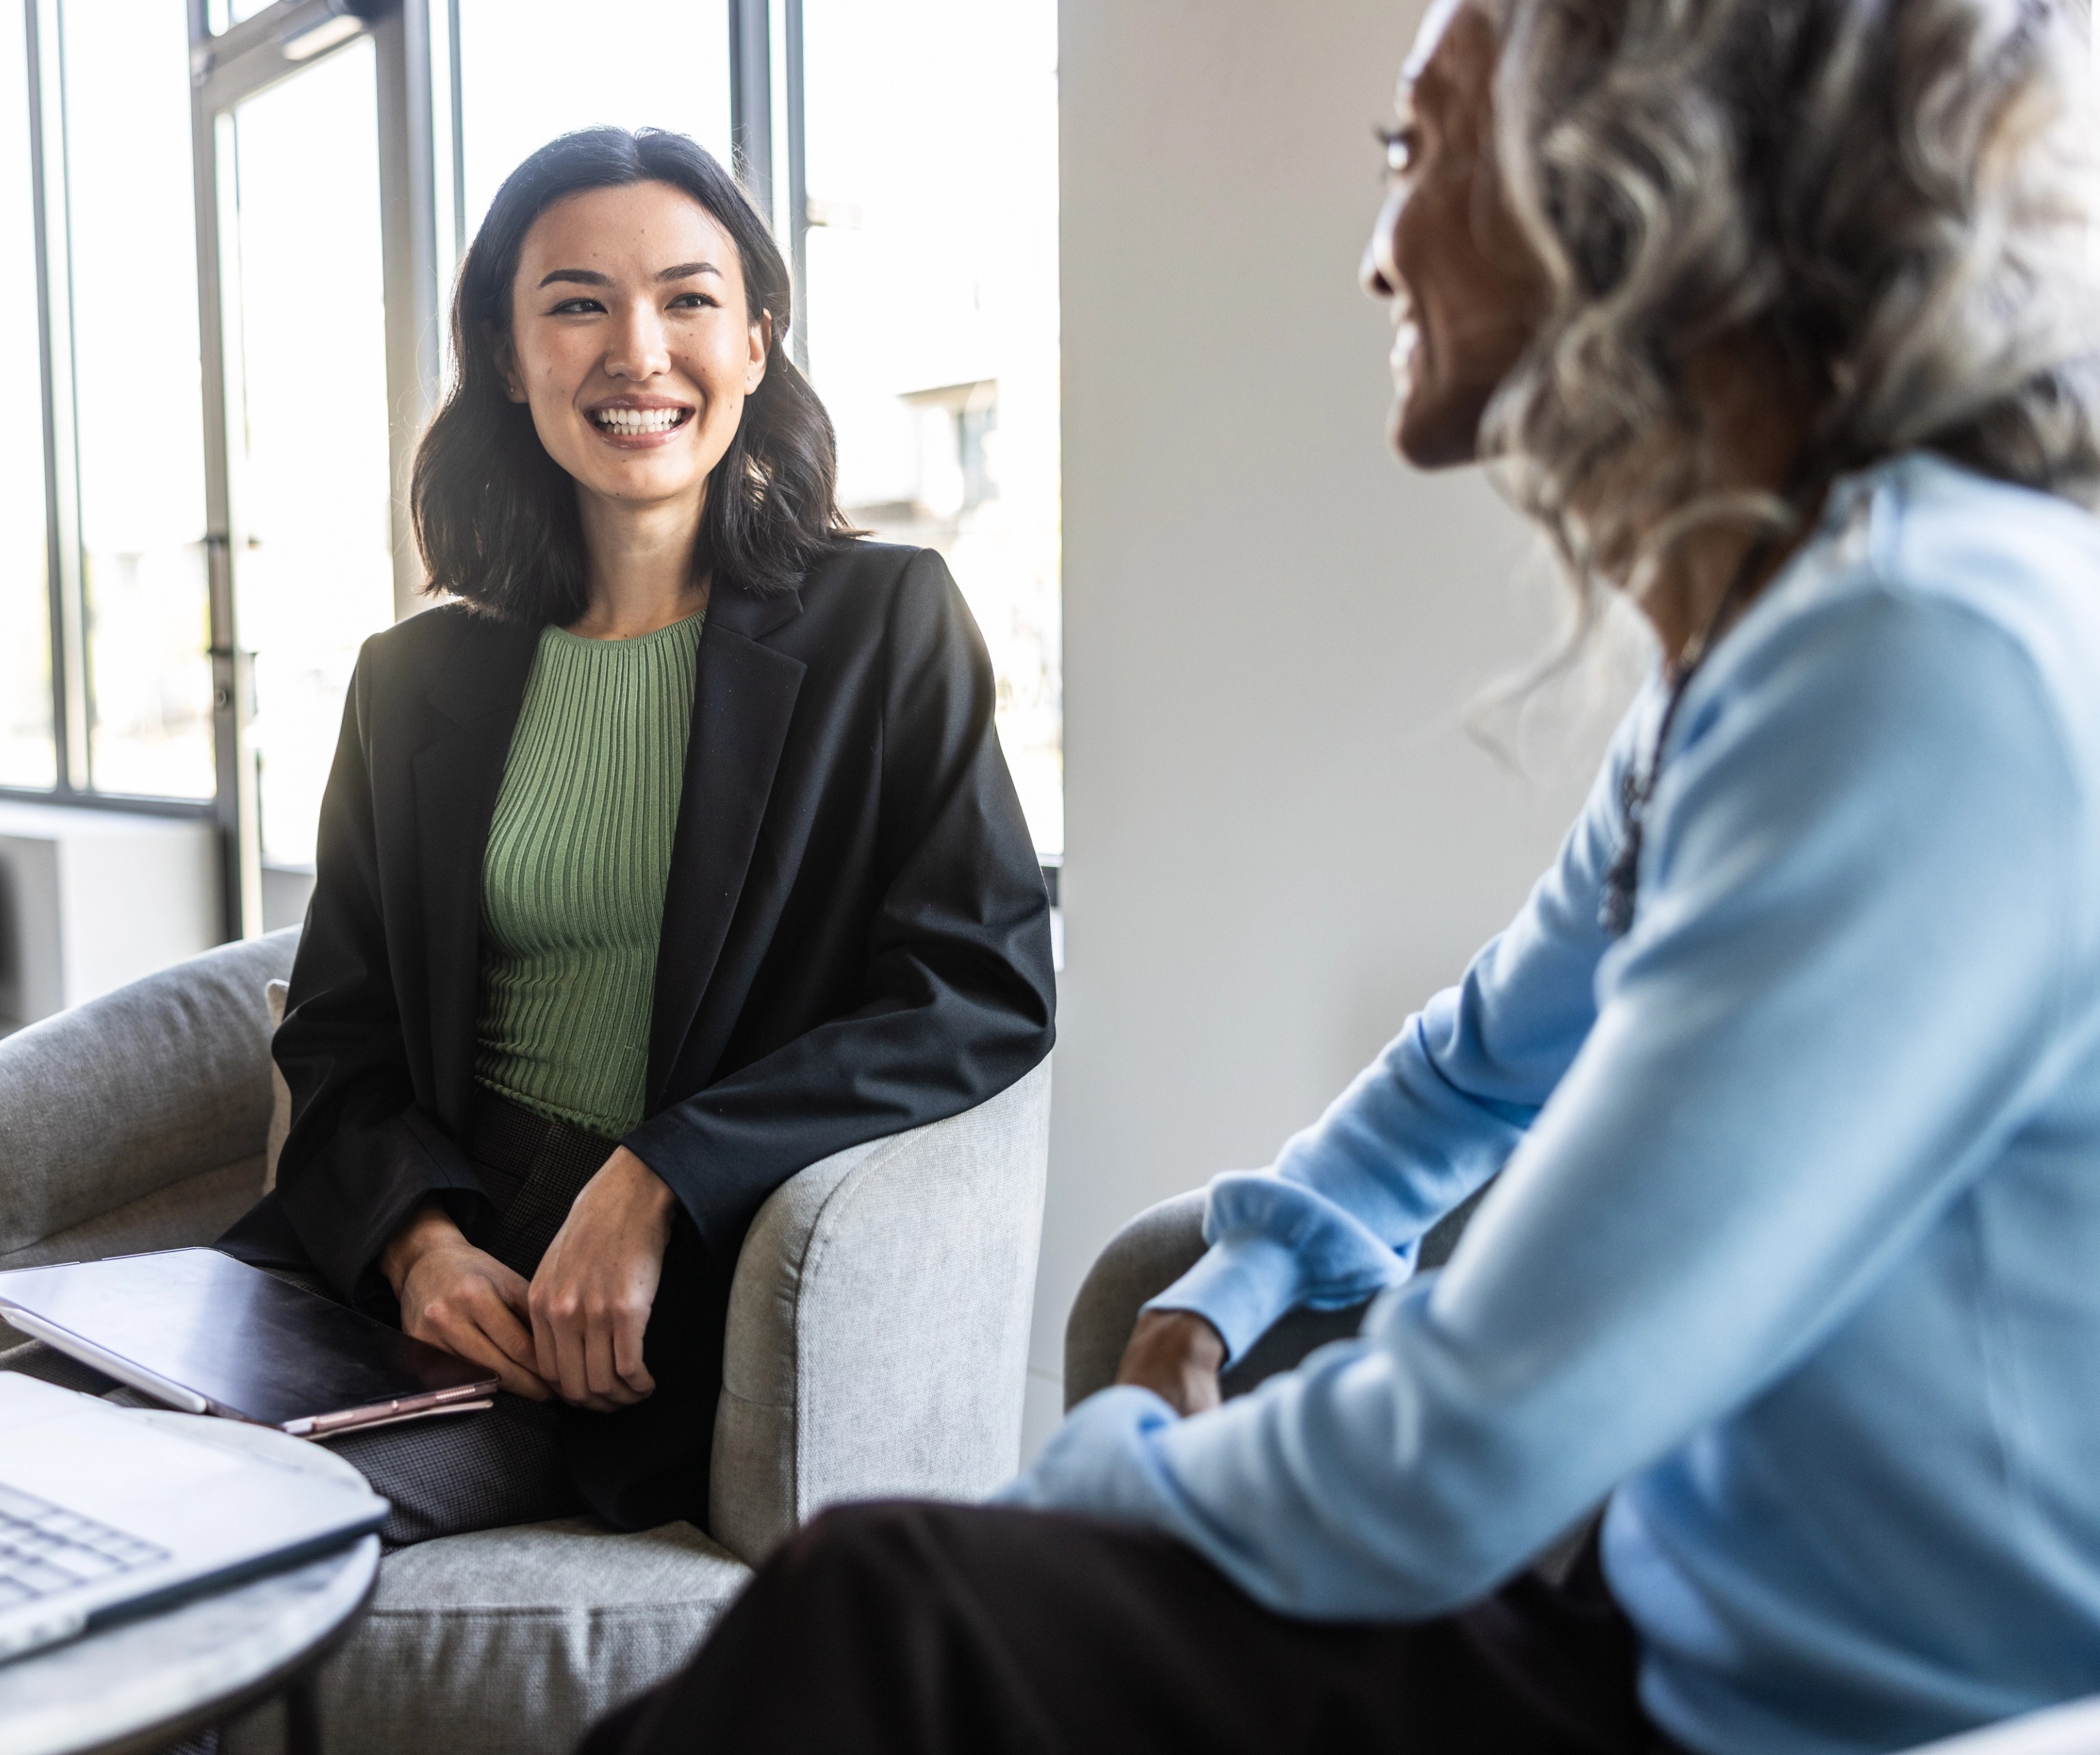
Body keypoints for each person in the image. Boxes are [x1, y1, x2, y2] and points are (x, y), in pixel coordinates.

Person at [578, 0, 2100, 1750]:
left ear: (1623, 173)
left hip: (1801, 1716)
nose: (1380, 258)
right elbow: (1472, 1066)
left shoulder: (1919, 659)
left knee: (885, 1623)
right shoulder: (1765, 653)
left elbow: (1467, 1452)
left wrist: (1089, 1481)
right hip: (1654, 1630)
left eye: (1415, 148)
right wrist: (1216, 1296)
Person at [204, 127, 1057, 1545]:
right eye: (578, 302)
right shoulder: (409, 680)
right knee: (29, 1435)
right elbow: (340, 1039)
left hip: (641, 1308)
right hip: (417, 1261)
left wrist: (664, 1172)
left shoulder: (888, 627)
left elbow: (982, 987)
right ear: (506, 347)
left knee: (214, 1538)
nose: (638, 351)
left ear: (759, 339)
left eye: (689, 298)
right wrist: (418, 1248)